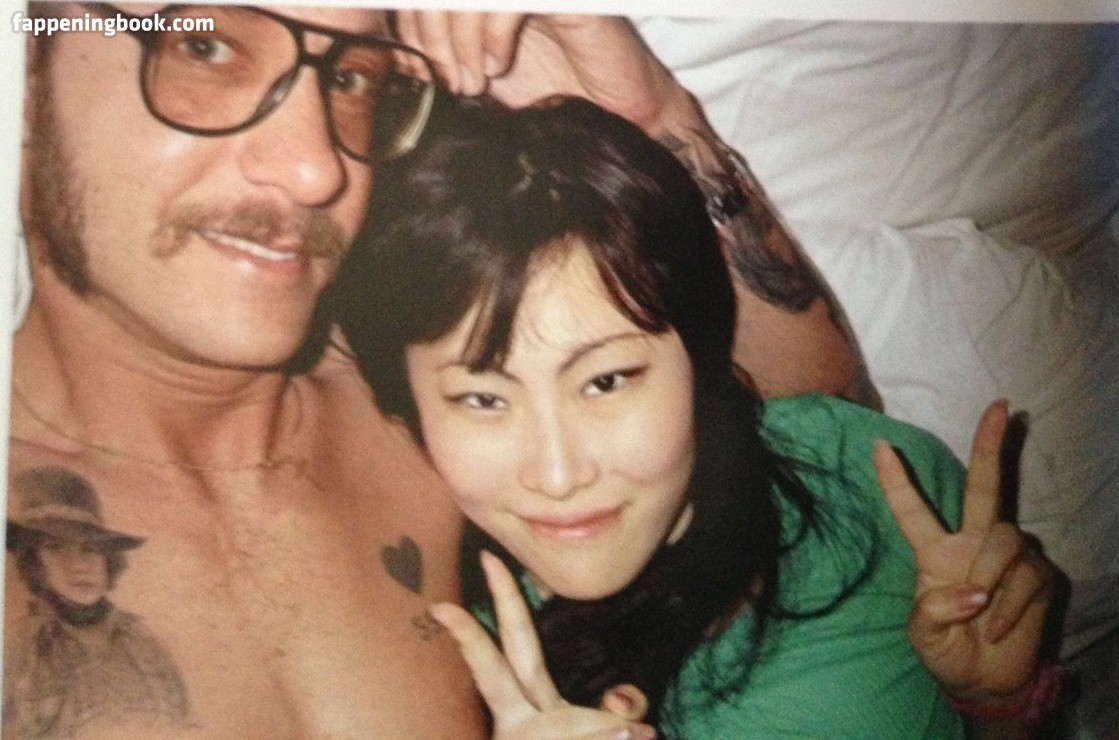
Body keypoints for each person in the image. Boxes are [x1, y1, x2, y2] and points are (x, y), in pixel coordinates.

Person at [8, 3, 869, 737]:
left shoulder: (401, 389)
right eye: (206, 47)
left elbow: (815, 412)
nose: (315, 169)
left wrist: (648, 113)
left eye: (351, 79)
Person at [333, 96, 1058, 738]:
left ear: (698, 356)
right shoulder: (423, 657)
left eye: (607, 381)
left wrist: (993, 704)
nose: (557, 474)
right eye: (484, 400)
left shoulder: (876, 486)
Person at [4, 467, 192, 737]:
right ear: (35, 564)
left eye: (90, 549)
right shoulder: (18, 648)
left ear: (108, 561)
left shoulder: (142, 642)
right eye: (56, 548)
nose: (78, 565)